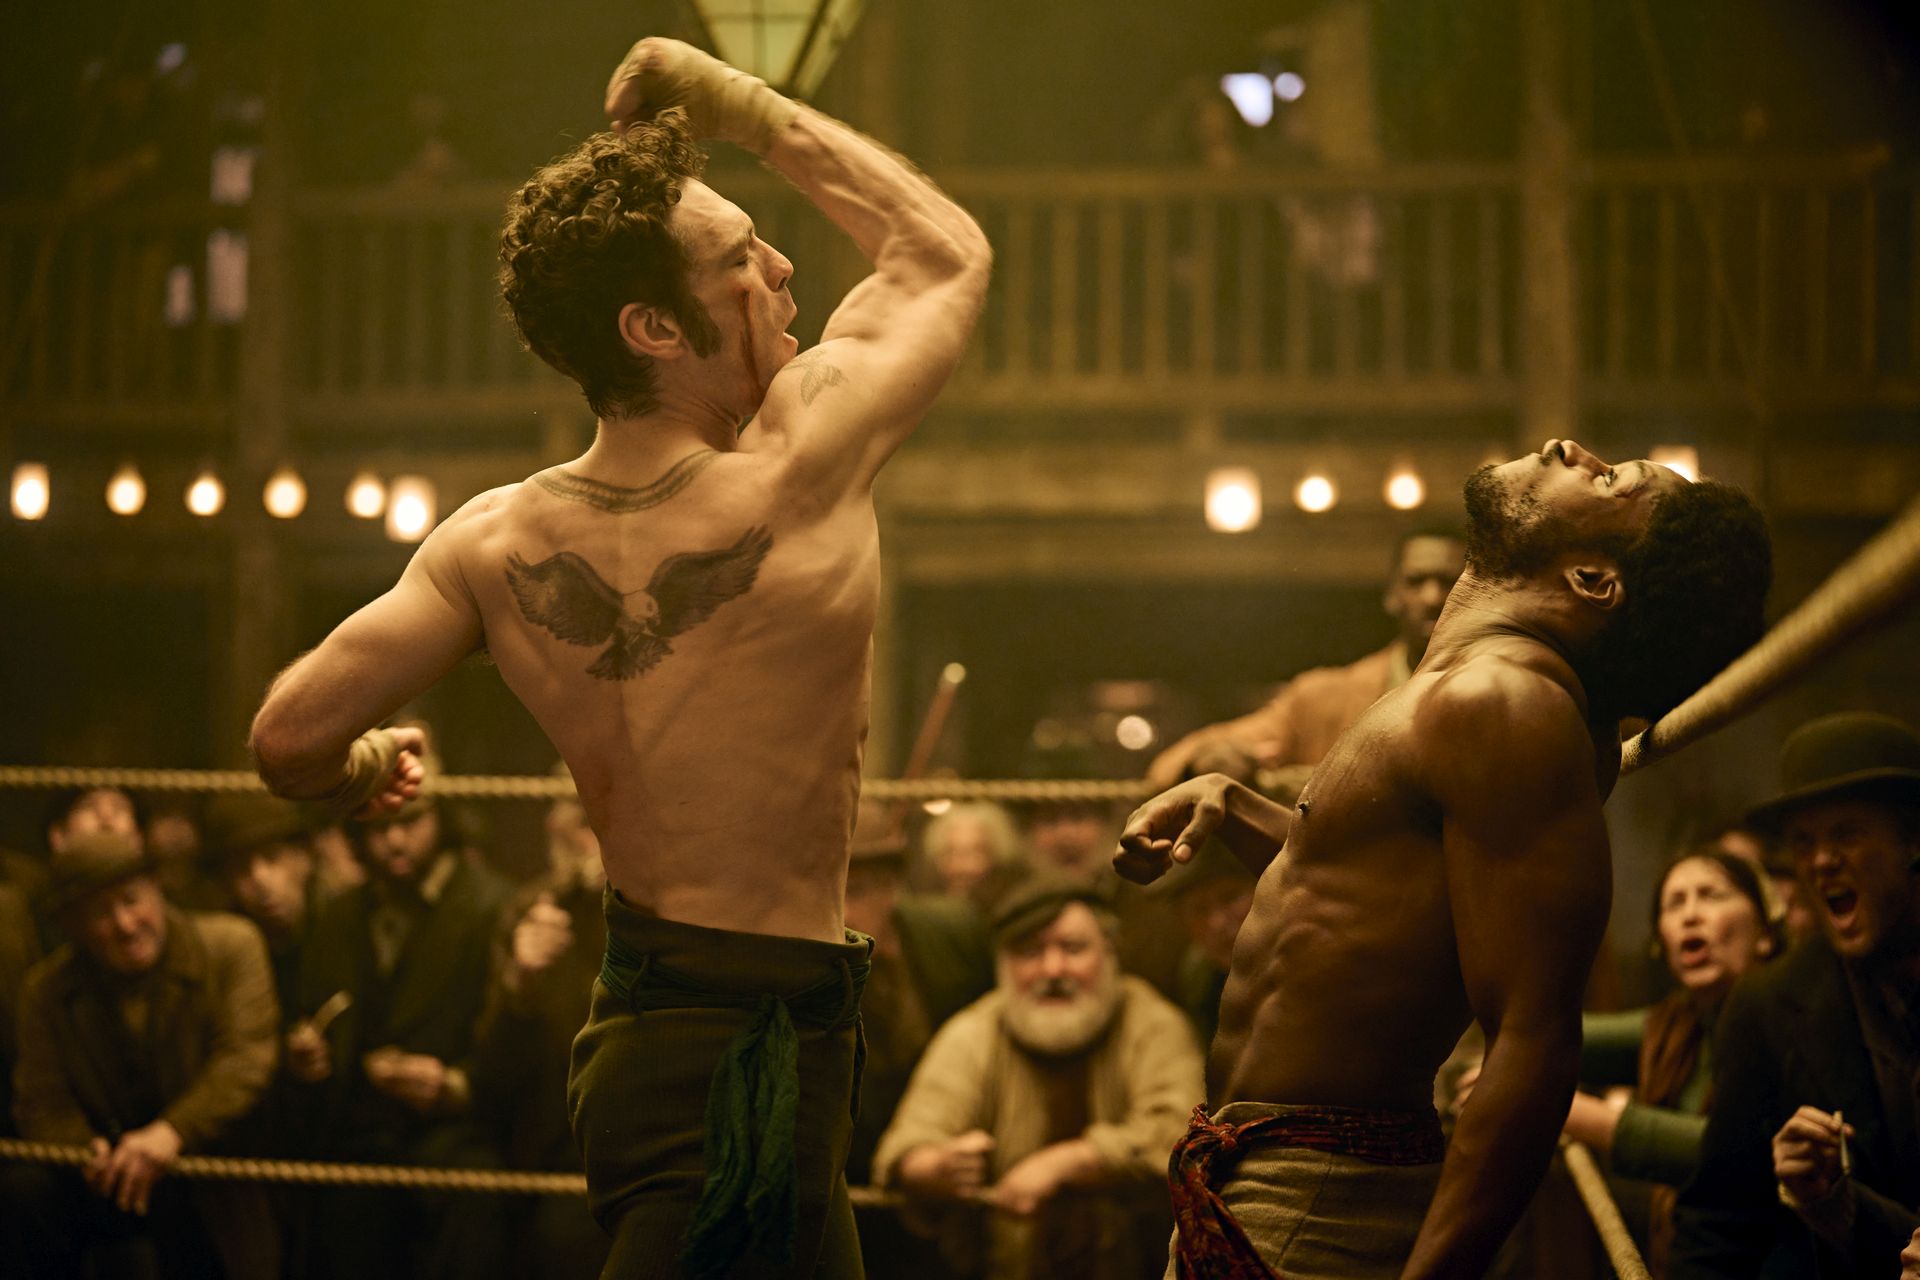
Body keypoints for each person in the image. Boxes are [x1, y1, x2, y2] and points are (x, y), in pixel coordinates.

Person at [247, 34, 990, 1278]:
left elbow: (287, 739)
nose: (782, 269)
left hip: (680, 1024)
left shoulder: (491, 541)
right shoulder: (800, 468)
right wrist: (743, 107)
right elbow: (943, 252)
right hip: (737, 1060)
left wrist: (362, 767)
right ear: (652, 325)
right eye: (739, 258)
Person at [1117, 439, 1770, 1277]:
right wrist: (1235, 803)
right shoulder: (1472, 688)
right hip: (1260, 1172)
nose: (1568, 448)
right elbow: (1384, 897)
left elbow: (1534, 1041)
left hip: (1317, 1196)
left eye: (1608, 480)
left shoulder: (1506, 705)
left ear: (1591, 579)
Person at [1672, 712, 1920, 1279]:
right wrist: (1828, 1197)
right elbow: (1719, 1222)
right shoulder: (1768, 1004)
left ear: (1913, 840)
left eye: (1847, 834)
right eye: (1804, 842)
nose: (1821, 860)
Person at [1458, 847, 1782, 1275]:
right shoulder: (1677, 1025)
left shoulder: (1788, 1018)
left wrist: (1554, 1106)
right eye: (1675, 903)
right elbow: (1548, 1035)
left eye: (1711, 895)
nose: (1691, 915)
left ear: (1765, 933)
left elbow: (1733, 1151)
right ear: (1660, 943)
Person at [873, 873, 1204, 1279]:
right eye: (1029, 952)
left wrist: (1067, 1163)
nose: (1052, 969)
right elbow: (910, 1142)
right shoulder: (974, 1033)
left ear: (1110, 952)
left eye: (1073, 948)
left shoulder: (1153, 1024)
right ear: (1002, 964)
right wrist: (931, 1167)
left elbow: (1182, 1135)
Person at [4, 830, 281, 1279]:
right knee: (25, 1192)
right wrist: (83, 1151)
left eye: (132, 900)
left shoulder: (230, 947)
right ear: (74, 927)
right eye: (101, 913)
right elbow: (41, 1102)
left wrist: (172, 1132)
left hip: (212, 1174)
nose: (125, 924)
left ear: (157, 889)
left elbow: (245, 1061)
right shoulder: (48, 992)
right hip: (105, 1181)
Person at [284, 793, 509, 1280]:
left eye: (411, 821)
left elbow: (521, 1048)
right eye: (377, 826)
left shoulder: (492, 906)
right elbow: (319, 1018)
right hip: (360, 1138)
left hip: (460, 1136)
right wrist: (310, 1057)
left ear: (442, 817)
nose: (395, 840)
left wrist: (454, 1085)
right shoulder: (341, 915)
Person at [1146, 528, 1466, 788]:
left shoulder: (1494, 688)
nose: (1432, 597)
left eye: (1449, 581)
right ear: (1392, 595)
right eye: (1415, 581)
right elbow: (1172, 763)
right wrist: (1210, 762)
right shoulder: (1322, 699)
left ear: (1475, 593)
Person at [472, 776, 609, 1279]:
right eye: (561, 811)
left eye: (587, 817)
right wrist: (521, 983)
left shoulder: (662, 911)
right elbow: (495, 1071)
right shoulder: (531, 910)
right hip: (551, 1144)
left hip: (643, 1137)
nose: (564, 828)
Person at [919, 800, 1025, 907]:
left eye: (974, 854)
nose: (960, 867)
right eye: (951, 853)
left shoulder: (1014, 907)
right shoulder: (926, 907)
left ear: (996, 857)